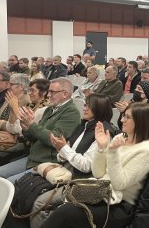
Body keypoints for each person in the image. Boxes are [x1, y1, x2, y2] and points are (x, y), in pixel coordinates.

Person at [41, 102, 149, 228]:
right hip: (101, 192)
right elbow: (98, 173)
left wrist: (112, 152)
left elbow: (119, 184)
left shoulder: (146, 150)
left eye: (127, 117)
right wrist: (101, 148)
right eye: (123, 115)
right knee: (61, 206)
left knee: (65, 212)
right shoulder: (120, 137)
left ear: (140, 121)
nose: (122, 119)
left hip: (119, 206)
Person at [30, 94, 116, 228]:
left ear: (98, 109)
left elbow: (87, 166)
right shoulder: (84, 125)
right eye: (85, 104)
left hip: (80, 181)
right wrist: (62, 149)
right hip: (65, 170)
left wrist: (64, 148)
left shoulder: (104, 133)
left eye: (88, 105)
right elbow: (64, 155)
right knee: (28, 188)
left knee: (39, 203)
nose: (84, 108)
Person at [0, 77, 80, 183]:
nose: (49, 95)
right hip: (33, 157)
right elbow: (34, 137)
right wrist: (26, 128)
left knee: (6, 184)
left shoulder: (71, 113)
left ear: (65, 94)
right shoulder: (50, 109)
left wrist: (31, 125)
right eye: (49, 91)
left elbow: (54, 140)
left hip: (46, 162)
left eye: (52, 92)